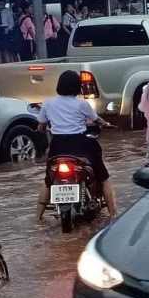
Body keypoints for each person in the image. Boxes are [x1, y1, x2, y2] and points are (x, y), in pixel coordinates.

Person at [35, 71, 117, 221]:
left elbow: (41, 125)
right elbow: (96, 119)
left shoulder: (48, 103)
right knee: (103, 176)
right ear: (77, 87)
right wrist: (105, 124)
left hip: (57, 147)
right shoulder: (81, 104)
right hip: (81, 146)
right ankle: (113, 215)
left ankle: (37, 219)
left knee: (48, 180)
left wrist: (42, 129)